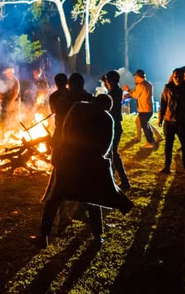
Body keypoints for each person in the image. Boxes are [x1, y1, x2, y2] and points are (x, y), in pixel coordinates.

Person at [33, 95, 134, 248]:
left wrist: (64, 150)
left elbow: (66, 131)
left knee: (54, 199)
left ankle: (43, 237)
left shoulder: (78, 107)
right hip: (89, 165)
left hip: (68, 162)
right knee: (93, 200)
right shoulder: (106, 118)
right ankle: (97, 236)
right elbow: (105, 147)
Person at [158, 68, 185, 174]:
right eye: (175, 77)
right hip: (169, 120)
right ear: (172, 76)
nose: (177, 79)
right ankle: (167, 166)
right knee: (168, 145)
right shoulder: (168, 88)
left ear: (183, 77)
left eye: (180, 77)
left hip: (183, 121)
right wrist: (160, 118)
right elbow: (163, 103)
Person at [101, 71, 130, 190]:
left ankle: (124, 181)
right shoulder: (117, 90)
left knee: (112, 153)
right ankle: (113, 179)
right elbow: (110, 90)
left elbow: (108, 97)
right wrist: (105, 83)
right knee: (110, 153)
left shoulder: (114, 92)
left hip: (114, 126)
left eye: (108, 80)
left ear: (111, 80)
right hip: (115, 125)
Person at [127, 70, 156, 147]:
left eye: (135, 76)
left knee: (145, 126)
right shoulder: (149, 84)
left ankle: (150, 142)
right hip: (149, 108)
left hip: (143, 109)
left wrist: (128, 90)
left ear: (138, 76)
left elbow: (135, 95)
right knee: (143, 123)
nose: (135, 78)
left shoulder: (140, 85)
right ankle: (150, 139)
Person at [47, 73, 71, 149]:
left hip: (59, 124)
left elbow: (53, 111)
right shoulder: (71, 94)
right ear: (66, 82)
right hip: (71, 124)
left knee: (55, 145)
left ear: (56, 83)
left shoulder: (53, 96)